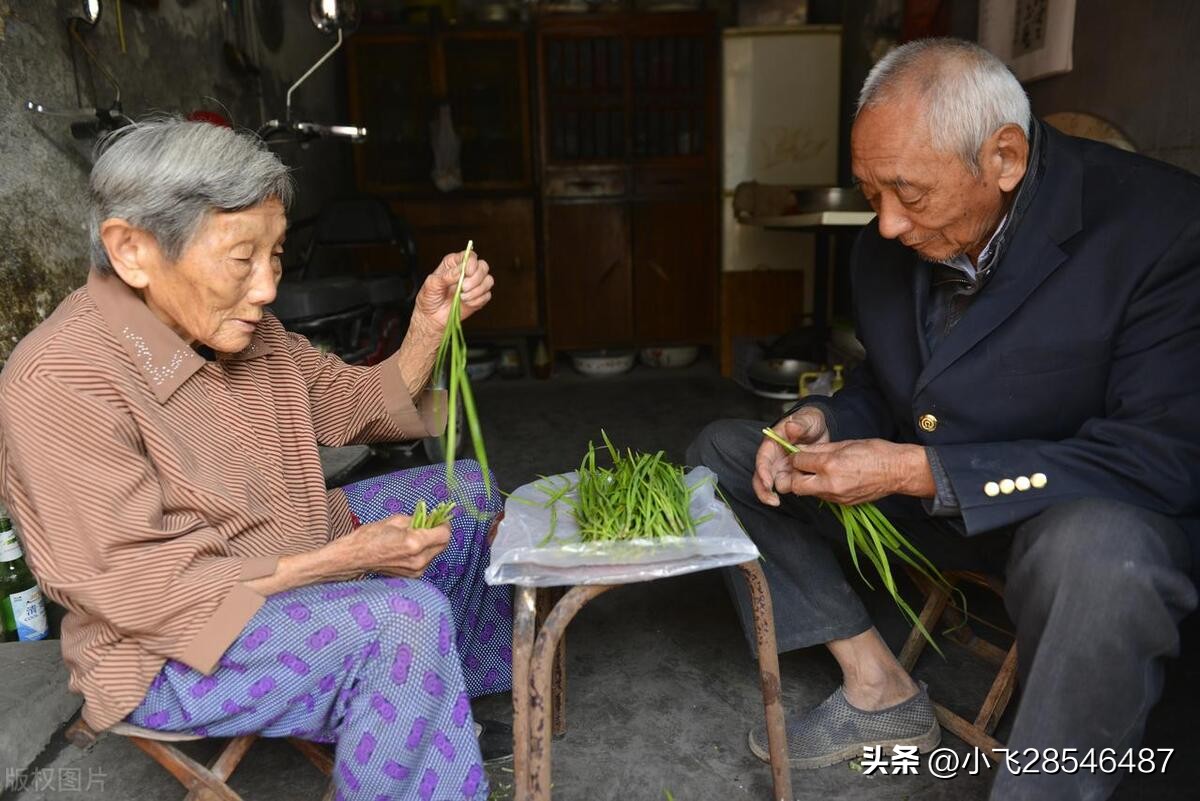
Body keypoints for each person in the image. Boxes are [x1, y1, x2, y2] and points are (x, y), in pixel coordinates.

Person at [689, 38, 1200, 801]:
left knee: (1105, 551)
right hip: (934, 506)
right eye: (871, 194)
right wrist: (829, 417)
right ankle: (879, 689)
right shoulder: (886, 246)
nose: (888, 225)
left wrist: (915, 469)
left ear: (1004, 157)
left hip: (1061, 527)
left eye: (909, 194)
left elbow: (1164, 458)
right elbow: (896, 382)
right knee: (730, 453)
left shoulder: (1162, 229)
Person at [0, 118, 512, 801]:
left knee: (467, 492)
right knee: (403, 616)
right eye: (243, 259)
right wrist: (336, 561)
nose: (267, 286)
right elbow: (139, 589)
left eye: (275, 256)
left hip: (287, 548)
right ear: (132, 249)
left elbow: (354, 403)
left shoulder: (250, 333)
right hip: (168, 645)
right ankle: (414, 724)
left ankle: (447, 712)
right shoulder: (61, 379)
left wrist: (426, 325)